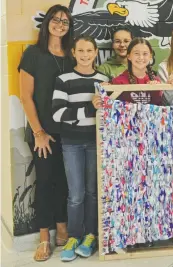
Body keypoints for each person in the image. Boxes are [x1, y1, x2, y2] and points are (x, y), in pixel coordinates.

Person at [17, 4, 74, 262]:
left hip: (70, 133)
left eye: (65, 21)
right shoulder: (33, 54)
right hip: (43, 133)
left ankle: (62, 230)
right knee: (45, 183)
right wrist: (38, 132)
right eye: (56, 19)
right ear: (47, 22)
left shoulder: (72, 56)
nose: (60, 24)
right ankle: (44, 239)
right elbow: (25, 97)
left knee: (65, 182)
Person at [51, 36, 108, 262]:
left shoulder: (103, 80)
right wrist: (88, 109)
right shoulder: (63, 79)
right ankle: (74, 236)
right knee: (76, 195)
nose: (85, 55)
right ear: (73, 52)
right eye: (81, 51)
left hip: (96, 142)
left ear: (96, 53)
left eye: (89, 51)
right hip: (71, 143)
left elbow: (108, 113)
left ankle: (91, 235)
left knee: (94, 192)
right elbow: (58, 114)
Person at [112, 37, 163, 105]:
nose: (141, 57)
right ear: (129, 56)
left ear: (150, 56)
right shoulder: (118, 81)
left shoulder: (156, 81)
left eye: (145, 54)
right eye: (136, 53)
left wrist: (155, 90)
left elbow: (158, 108)